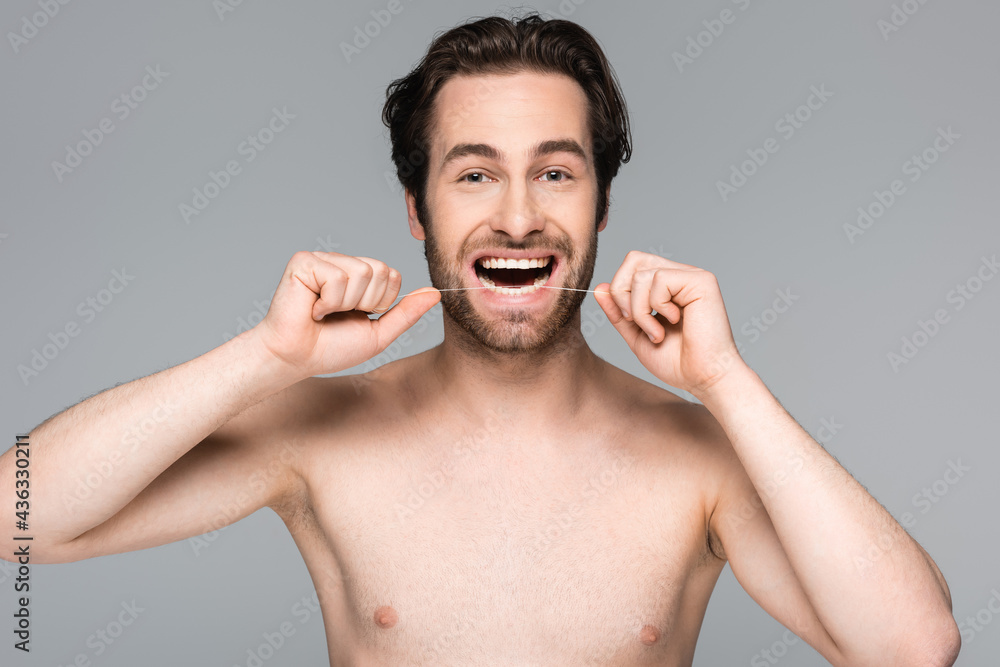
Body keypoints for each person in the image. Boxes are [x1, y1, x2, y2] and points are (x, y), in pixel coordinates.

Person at [2, 12, 959, 666]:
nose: (515, 217)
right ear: (416, 212)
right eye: (472, 175)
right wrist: (265, 359)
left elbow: (915, 648)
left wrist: (728, 382)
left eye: (555, 173)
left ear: (602, 204)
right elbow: (16, 515)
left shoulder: (701, 457)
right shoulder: (317, 433)